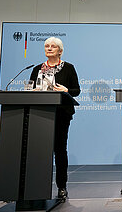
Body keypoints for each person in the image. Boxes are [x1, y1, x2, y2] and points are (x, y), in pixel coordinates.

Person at [30, 37, 80, 200]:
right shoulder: (37, 68)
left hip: (61, 114)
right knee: (40, 151)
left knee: (59, 150)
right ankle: (36, 185)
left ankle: (61, 187)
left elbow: (76, 90)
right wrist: (34, 91)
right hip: (39, 114)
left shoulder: (69, 68)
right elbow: (30, 88)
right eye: (46, 46)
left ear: (60, 50)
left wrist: (66, 89)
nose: (49, 48)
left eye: (53, 46)